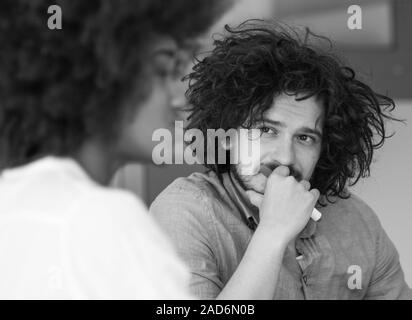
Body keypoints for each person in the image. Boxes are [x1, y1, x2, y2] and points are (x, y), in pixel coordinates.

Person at [150, 20, 412, 299]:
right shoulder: (183, 212)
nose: (285, 157)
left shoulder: (357, 220)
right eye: (266, 130)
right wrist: (273, 233)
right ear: (226, 134)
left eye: (305, 138)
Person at [0, 0, 229, 299]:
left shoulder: (17, 201)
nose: (180, 98)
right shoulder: (99, 218)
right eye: (162, 71)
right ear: (99, 79)